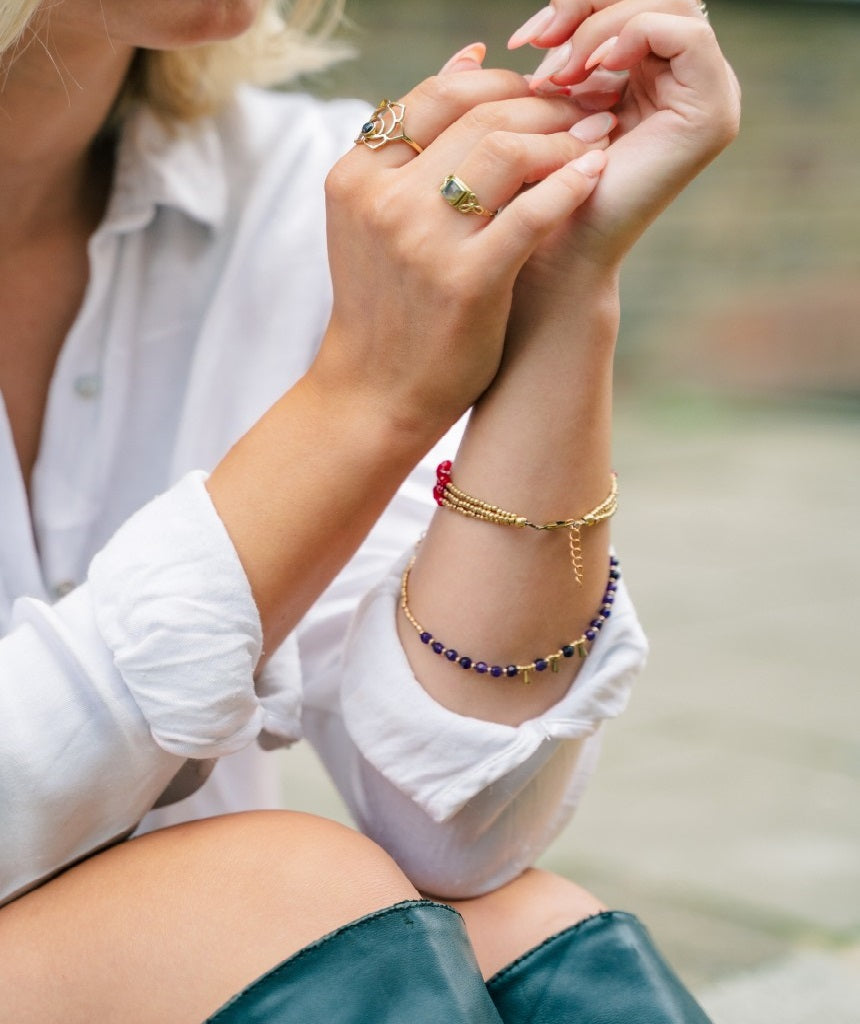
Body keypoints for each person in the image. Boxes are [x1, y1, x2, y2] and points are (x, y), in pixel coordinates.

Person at [0, 0, 740, 1020]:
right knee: (285, 889)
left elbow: (459, 833)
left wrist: (565, 276)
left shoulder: (304, 185)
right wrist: (359, 404)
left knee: (529, 936)